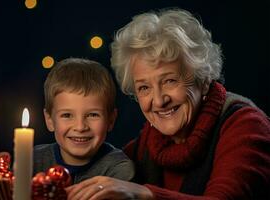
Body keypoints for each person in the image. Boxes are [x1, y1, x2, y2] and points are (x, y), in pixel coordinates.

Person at [65, 8, 270, 199]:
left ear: (204, 80)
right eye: (144, 88)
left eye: (170, 81)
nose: (159, 100)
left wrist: (144, 194)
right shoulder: (147, 143)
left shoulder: (246, 125)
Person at [33, 58, 134, 184]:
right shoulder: (30, 160)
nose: (80, 127)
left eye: (92, 115)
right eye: (67, 115)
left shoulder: (119, 170)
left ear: (111, 120)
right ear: (49, 120)